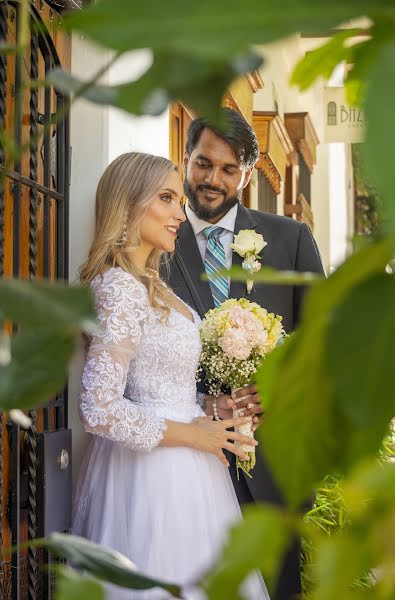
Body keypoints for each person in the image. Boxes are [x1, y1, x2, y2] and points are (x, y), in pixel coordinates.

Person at [71, 152, 270, 600]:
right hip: (150, 478)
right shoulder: (120, 286)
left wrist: (208, 408)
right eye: (166, 198)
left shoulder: (152, 285)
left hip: (189, 468)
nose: (180, 213)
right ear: (127, 204)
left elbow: (155, 384)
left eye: (179, 200)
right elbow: (99, 408)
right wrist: (192, 435)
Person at [164, 108, 325, 600]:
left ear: (248, 174)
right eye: (202, 164)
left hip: (271, 461)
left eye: (228, 169)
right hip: (183, 459)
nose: (212, 180)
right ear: (186, 160)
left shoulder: (290, 240)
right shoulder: (157, 241)